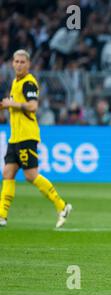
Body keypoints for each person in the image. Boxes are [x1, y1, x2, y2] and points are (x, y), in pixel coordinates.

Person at [0, 49, 72, 228]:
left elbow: (33, 106)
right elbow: (13, 106)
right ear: (12, 63)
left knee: (31, 175)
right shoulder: (15, 83)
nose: (18, 65)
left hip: (27, 136)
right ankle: (2, 216)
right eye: (16, 61)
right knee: (8, 173)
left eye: (22, 62)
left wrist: (11, 104)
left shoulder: (29, 83)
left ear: (28, 64)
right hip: (14, 138)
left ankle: (61, 206)